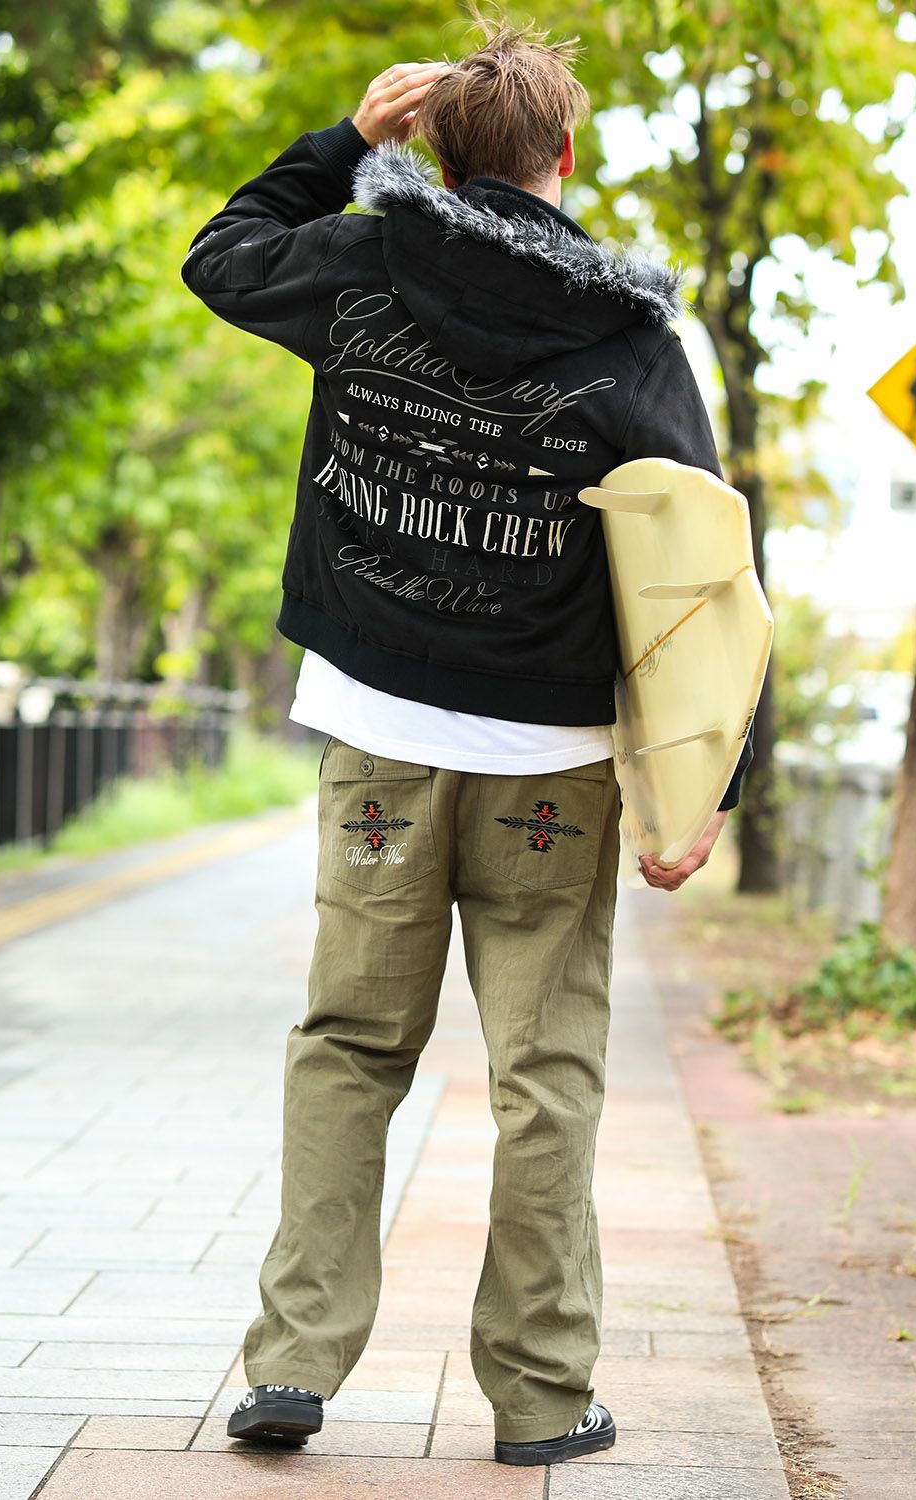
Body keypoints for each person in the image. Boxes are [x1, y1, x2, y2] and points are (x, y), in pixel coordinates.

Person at [181, 12, 754, 1469]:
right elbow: (704, 572)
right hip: (549, 768)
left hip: (375, 737)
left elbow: (221, 256)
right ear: (565, 151)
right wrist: (709, 787)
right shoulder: (630, 339)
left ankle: (290, 1369)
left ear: (431, 148)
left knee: (348, 1046)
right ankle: (543, 1398)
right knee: (545, 1074)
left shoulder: (366, 261)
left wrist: (344, 143)